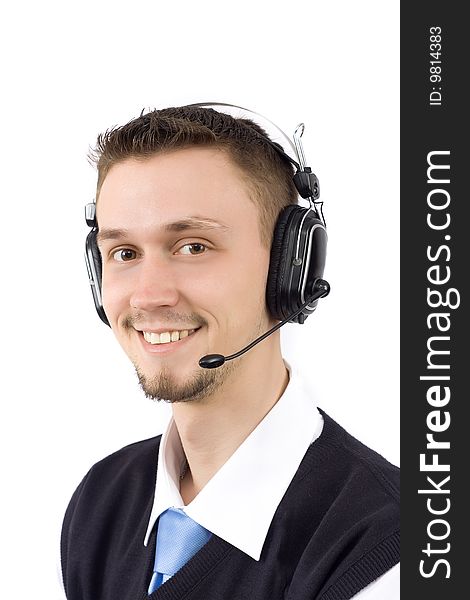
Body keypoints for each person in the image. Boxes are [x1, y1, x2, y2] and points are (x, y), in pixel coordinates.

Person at [60, 104, 400, 599]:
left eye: (193, 246)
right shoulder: (102, 501)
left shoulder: (381, 550)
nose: (148, 295)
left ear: (291, 270)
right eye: (125, 254)